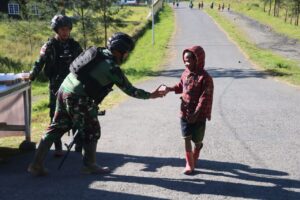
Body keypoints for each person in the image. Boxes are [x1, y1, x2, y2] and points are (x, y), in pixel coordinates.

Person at [27, 32, 166, 176]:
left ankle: (36, 165)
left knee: (56, 127)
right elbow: (130, 90)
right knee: (92, 130)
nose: (126, 56)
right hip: (78, 97)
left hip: (64, 89)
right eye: (126, 53)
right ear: (119, 51)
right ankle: (90, 165)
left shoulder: (96, 52)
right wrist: (151, 95)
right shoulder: (111, 67)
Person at [29, 14, 83, 156]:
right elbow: (39, 63)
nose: (65, 32)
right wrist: (31, 76)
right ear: (56, 30)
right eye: (62, 29)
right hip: (55, 86)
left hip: (74, 85)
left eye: (67, 29)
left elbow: (84, 63)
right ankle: (58, 147)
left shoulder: (75, 45)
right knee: (55, 116)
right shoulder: (49, 46)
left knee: (77, 113)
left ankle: (78, 145)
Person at [161, 46, 214, 175]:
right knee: (186, 138)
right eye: (185, 60)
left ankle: (198, 147)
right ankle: (189, 164)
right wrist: (169, 89)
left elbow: (205, 97)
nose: (186, 63)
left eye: (189, 61)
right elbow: (180, 86)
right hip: (184, 112)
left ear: (198, 60)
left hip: (199, 116)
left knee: (197, 139)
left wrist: (196, 113)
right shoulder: (185, 73)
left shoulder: (205, 78)